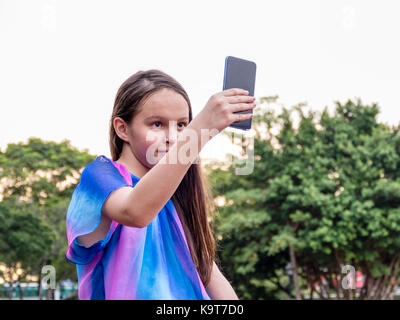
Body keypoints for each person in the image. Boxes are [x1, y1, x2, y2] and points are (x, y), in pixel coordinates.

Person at [65, 69, 256, 300]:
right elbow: (135, 211)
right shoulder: (99, 177)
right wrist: (200, 130)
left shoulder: (177, 198)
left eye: (182, 125)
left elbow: (212, 278)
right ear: (122, 128)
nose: (173, 137)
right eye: (157, 124)